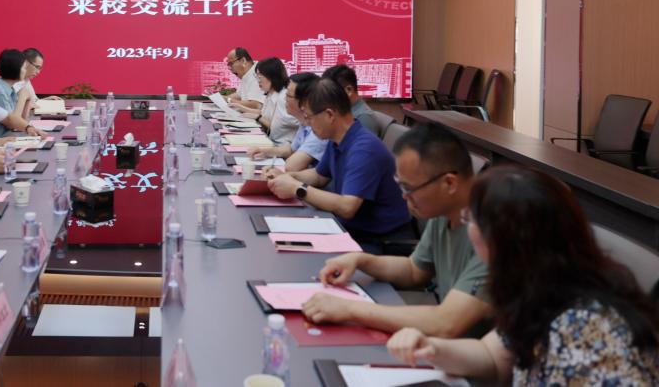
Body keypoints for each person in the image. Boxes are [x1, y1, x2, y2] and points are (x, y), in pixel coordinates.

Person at [387, 167, 659, 385]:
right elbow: (492, 357)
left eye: (471, 217)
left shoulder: (584, 329)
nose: (466, 224)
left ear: (504, 239)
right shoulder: (545, 286)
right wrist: (433, 348)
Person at [302, 125, 492, 338]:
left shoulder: (491, 231)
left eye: (409, 188)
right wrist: (361, 260)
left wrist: (349, 309)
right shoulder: (444, 213)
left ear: (449, 183)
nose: (403, 196)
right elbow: (414, 271)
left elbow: (446, 323)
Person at [267, 79, 412, 253]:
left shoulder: (364, 149)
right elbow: (319, 176)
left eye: (309, 117)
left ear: (329, 115)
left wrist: (297, 188)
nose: (308, 123)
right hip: (351, 229)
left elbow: (347, 207)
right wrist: (286, 177)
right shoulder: (337, 138)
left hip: (378, 242)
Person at [249, 72, 327, 173]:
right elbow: (291, 149)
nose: (284, 99)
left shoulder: (320, 128)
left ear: (305, 101)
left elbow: (292, 166)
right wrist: (265, 151)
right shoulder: (304, 123)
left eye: (288, 95)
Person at [233, 57, 299, 145]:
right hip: (273, 141)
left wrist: (258, 117)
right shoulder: (271, 93)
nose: (258, 81)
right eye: (257, 76)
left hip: (281, 144)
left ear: (272, 76)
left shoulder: (283, 97)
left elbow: (276, 128)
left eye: (260, 76)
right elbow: (264, 113)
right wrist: (241, 107)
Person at [0, 49, 36, 138]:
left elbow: (22, 120)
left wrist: (27, 100)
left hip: (8, 137)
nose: (25, 71)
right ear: (15, 67)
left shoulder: (11, 89)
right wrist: (22, 97)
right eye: (24, 68)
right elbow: (12, 124)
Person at [322, 64, 380, 135]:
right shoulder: (346, 113)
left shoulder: (364, 120)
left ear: (349, 90)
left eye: (331, 93)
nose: (327, 98)